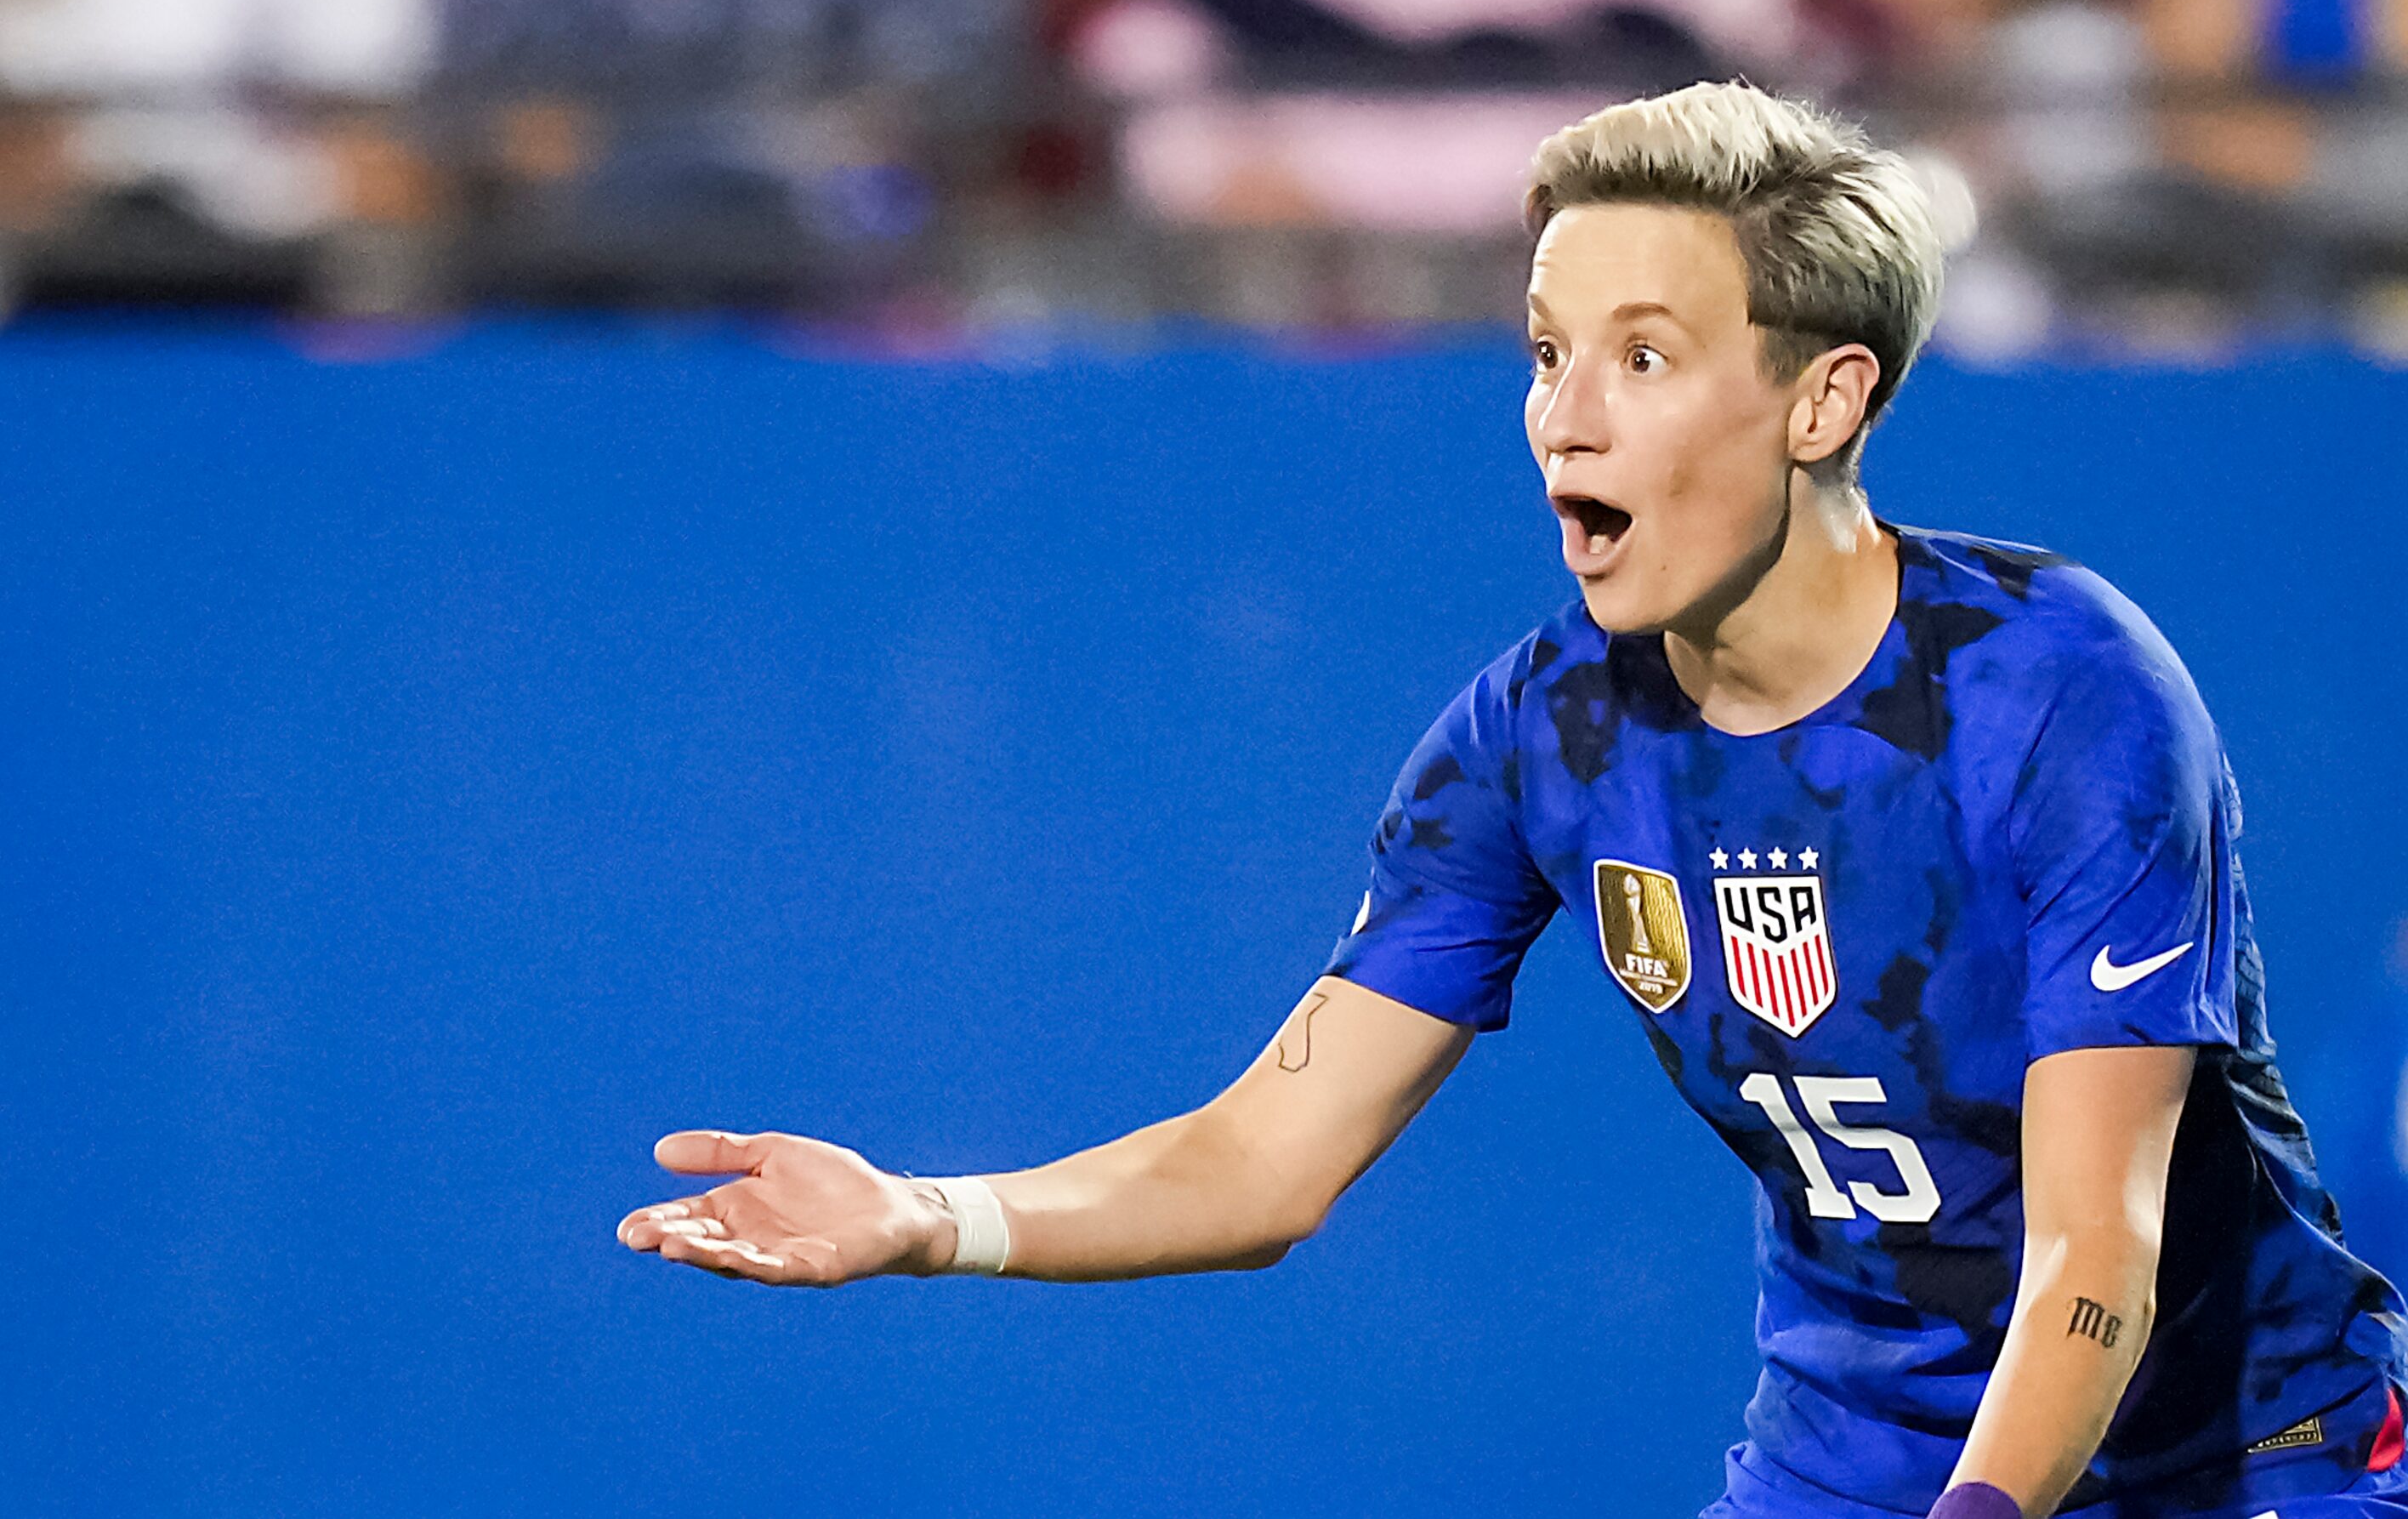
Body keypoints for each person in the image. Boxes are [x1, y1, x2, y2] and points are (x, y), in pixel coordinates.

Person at [616, 81, 2408, 1519]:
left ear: (1822, 400)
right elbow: (1264, 1162)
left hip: (2250, 1464)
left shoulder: (2066, 693)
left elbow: (2101, 1237)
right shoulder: (1536, 737)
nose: (1566, 415)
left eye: (1643, 355)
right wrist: (931, 1216)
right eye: (1547, 351)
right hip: (1854, 1464)